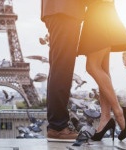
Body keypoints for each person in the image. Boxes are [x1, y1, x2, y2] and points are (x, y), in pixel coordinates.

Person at [78, 0, 126, 141]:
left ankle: (118, 111)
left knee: (92, 66)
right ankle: (105, 117)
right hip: (101, 12)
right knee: (102, 70)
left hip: (98, 13)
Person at [40, 0, 87, 142]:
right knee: (62, 69)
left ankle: (58, 125)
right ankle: (58, 127)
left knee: (60, 67)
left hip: (60, 9)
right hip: (65, 10)